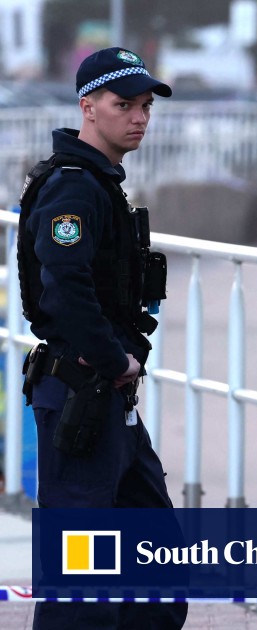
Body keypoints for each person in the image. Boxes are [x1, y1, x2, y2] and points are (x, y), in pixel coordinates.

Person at [17, 47, 186, 629]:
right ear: (88, 107)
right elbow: (64, 284)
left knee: (158, 566)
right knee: (82, 583)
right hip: (82, 396)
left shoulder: (98, 182)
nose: (139, 117)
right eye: (124, 105)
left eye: (145, 106)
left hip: (106, 401)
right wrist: (116, 359)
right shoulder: (74, 186)